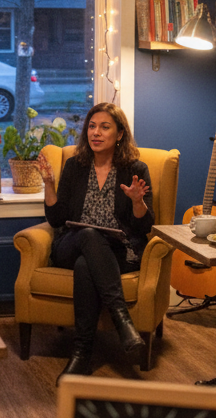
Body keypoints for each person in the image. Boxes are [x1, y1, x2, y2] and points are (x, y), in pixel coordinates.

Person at [38, 102, 153, 383]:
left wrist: (138, 202)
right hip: (70, 243)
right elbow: (57, 219)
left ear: (120, 134)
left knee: (84, 266)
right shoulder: (75, 166)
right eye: (92, 126)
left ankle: (81, 355)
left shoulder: (135, 169)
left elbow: (143, 227)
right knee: (88, 235)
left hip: (115, 251)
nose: (96, 133)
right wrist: (49, 185)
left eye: (104, 127)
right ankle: (122, 321)